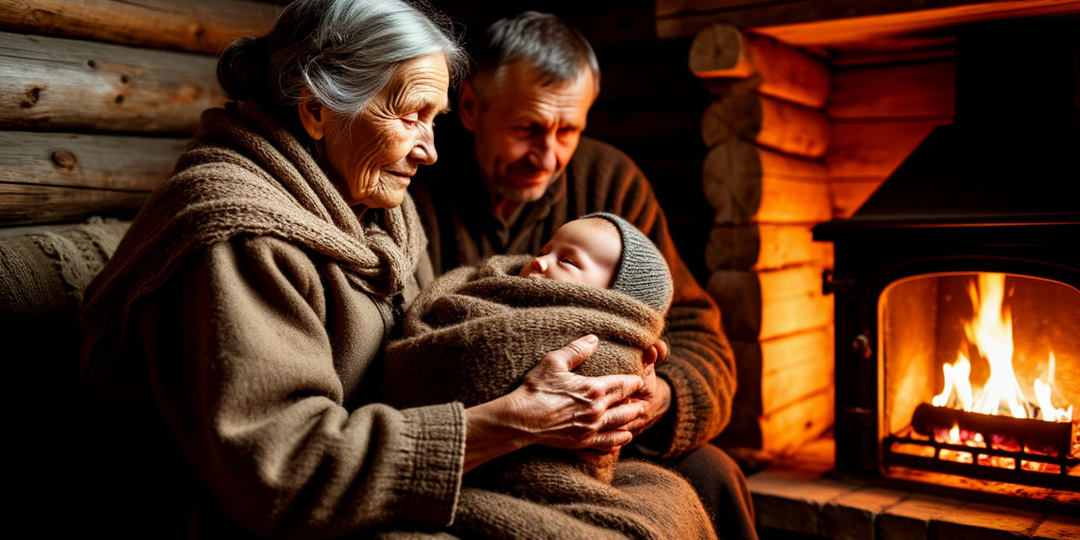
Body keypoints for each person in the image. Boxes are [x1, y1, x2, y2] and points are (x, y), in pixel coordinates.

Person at [77, 1, 652, 538]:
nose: (429, 149)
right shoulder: (239, 236)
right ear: (317, 110)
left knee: (680, 486)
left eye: (436, 119)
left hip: (358, 472)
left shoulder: (380, 216)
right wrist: (512, 423)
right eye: (410, 116)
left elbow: (420, 353)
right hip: (219, 510)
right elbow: (280, 470)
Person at [410, 10, 759, 540]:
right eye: (527, 128)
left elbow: (696, 331)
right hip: (477, 435)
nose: (547, 157)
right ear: (472, 107)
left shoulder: (609, 182)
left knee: (713, 473)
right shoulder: (417, 178)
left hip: (604, 440)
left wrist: (656, 399)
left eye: (567, 130)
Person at [380, 212, 717, 538]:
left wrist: (643, 385)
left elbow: (693, 333)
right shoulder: (480, 293)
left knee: (700, 483)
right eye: (544, 250)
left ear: (611, 300)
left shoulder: (598, 335)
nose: (539, 261)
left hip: (564, 469)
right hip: (453, 457)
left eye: (567, 261)